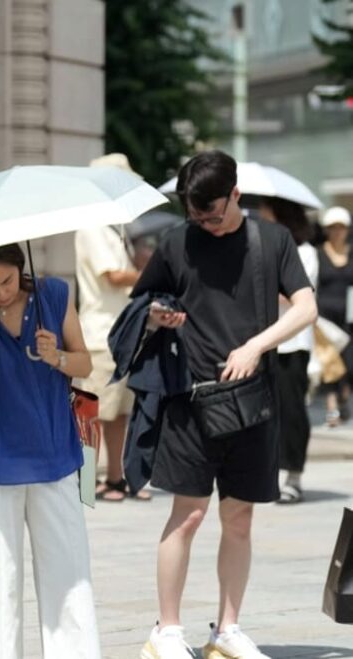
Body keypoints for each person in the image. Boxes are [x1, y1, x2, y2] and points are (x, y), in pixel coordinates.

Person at [131, 151, 316, 658]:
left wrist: (256, 345)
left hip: (252, 401)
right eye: (196, 217)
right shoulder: (175, 240)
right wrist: (158, 317)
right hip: (190, 401)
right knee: (187, 516)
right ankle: (166, 631)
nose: (206, 225)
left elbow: (306, 307)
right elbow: (141, 306)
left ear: (236, 195)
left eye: (213, 214)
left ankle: (226, 631)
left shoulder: (271, 240)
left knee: (239, 519)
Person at [0, 244, 101, 659]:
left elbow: (85, 364)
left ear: (20, 267)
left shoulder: (53, 295)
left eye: (7, 281)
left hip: (53, 452)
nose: (0, 292)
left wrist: (58, 356)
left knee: (69, 577)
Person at [74, 153, 150, 502]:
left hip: (119, 332)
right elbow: (114, 276)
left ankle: (115, 479)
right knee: (92, 413)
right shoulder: (92, 224)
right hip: (100, 334)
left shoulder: (113, 228)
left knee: (118, 413)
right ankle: (85, 482)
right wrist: (150, 272)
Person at [256, 198, 319, 504]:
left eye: (266, 213)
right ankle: (272, 472)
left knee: (293, 411)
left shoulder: (305, 252)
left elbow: (296, 297)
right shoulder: (264, 249)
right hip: (265, 343)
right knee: (268, 412)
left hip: (293, 344)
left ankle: (293, 474)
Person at [315, 206, 353, 427]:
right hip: (325, 317)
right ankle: (332, 410)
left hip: (349, 318)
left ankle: (344, 396)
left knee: (348, 363)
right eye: (333, 228)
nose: (337, 232)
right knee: (329, 362)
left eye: (341, 228)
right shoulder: (319, 253)